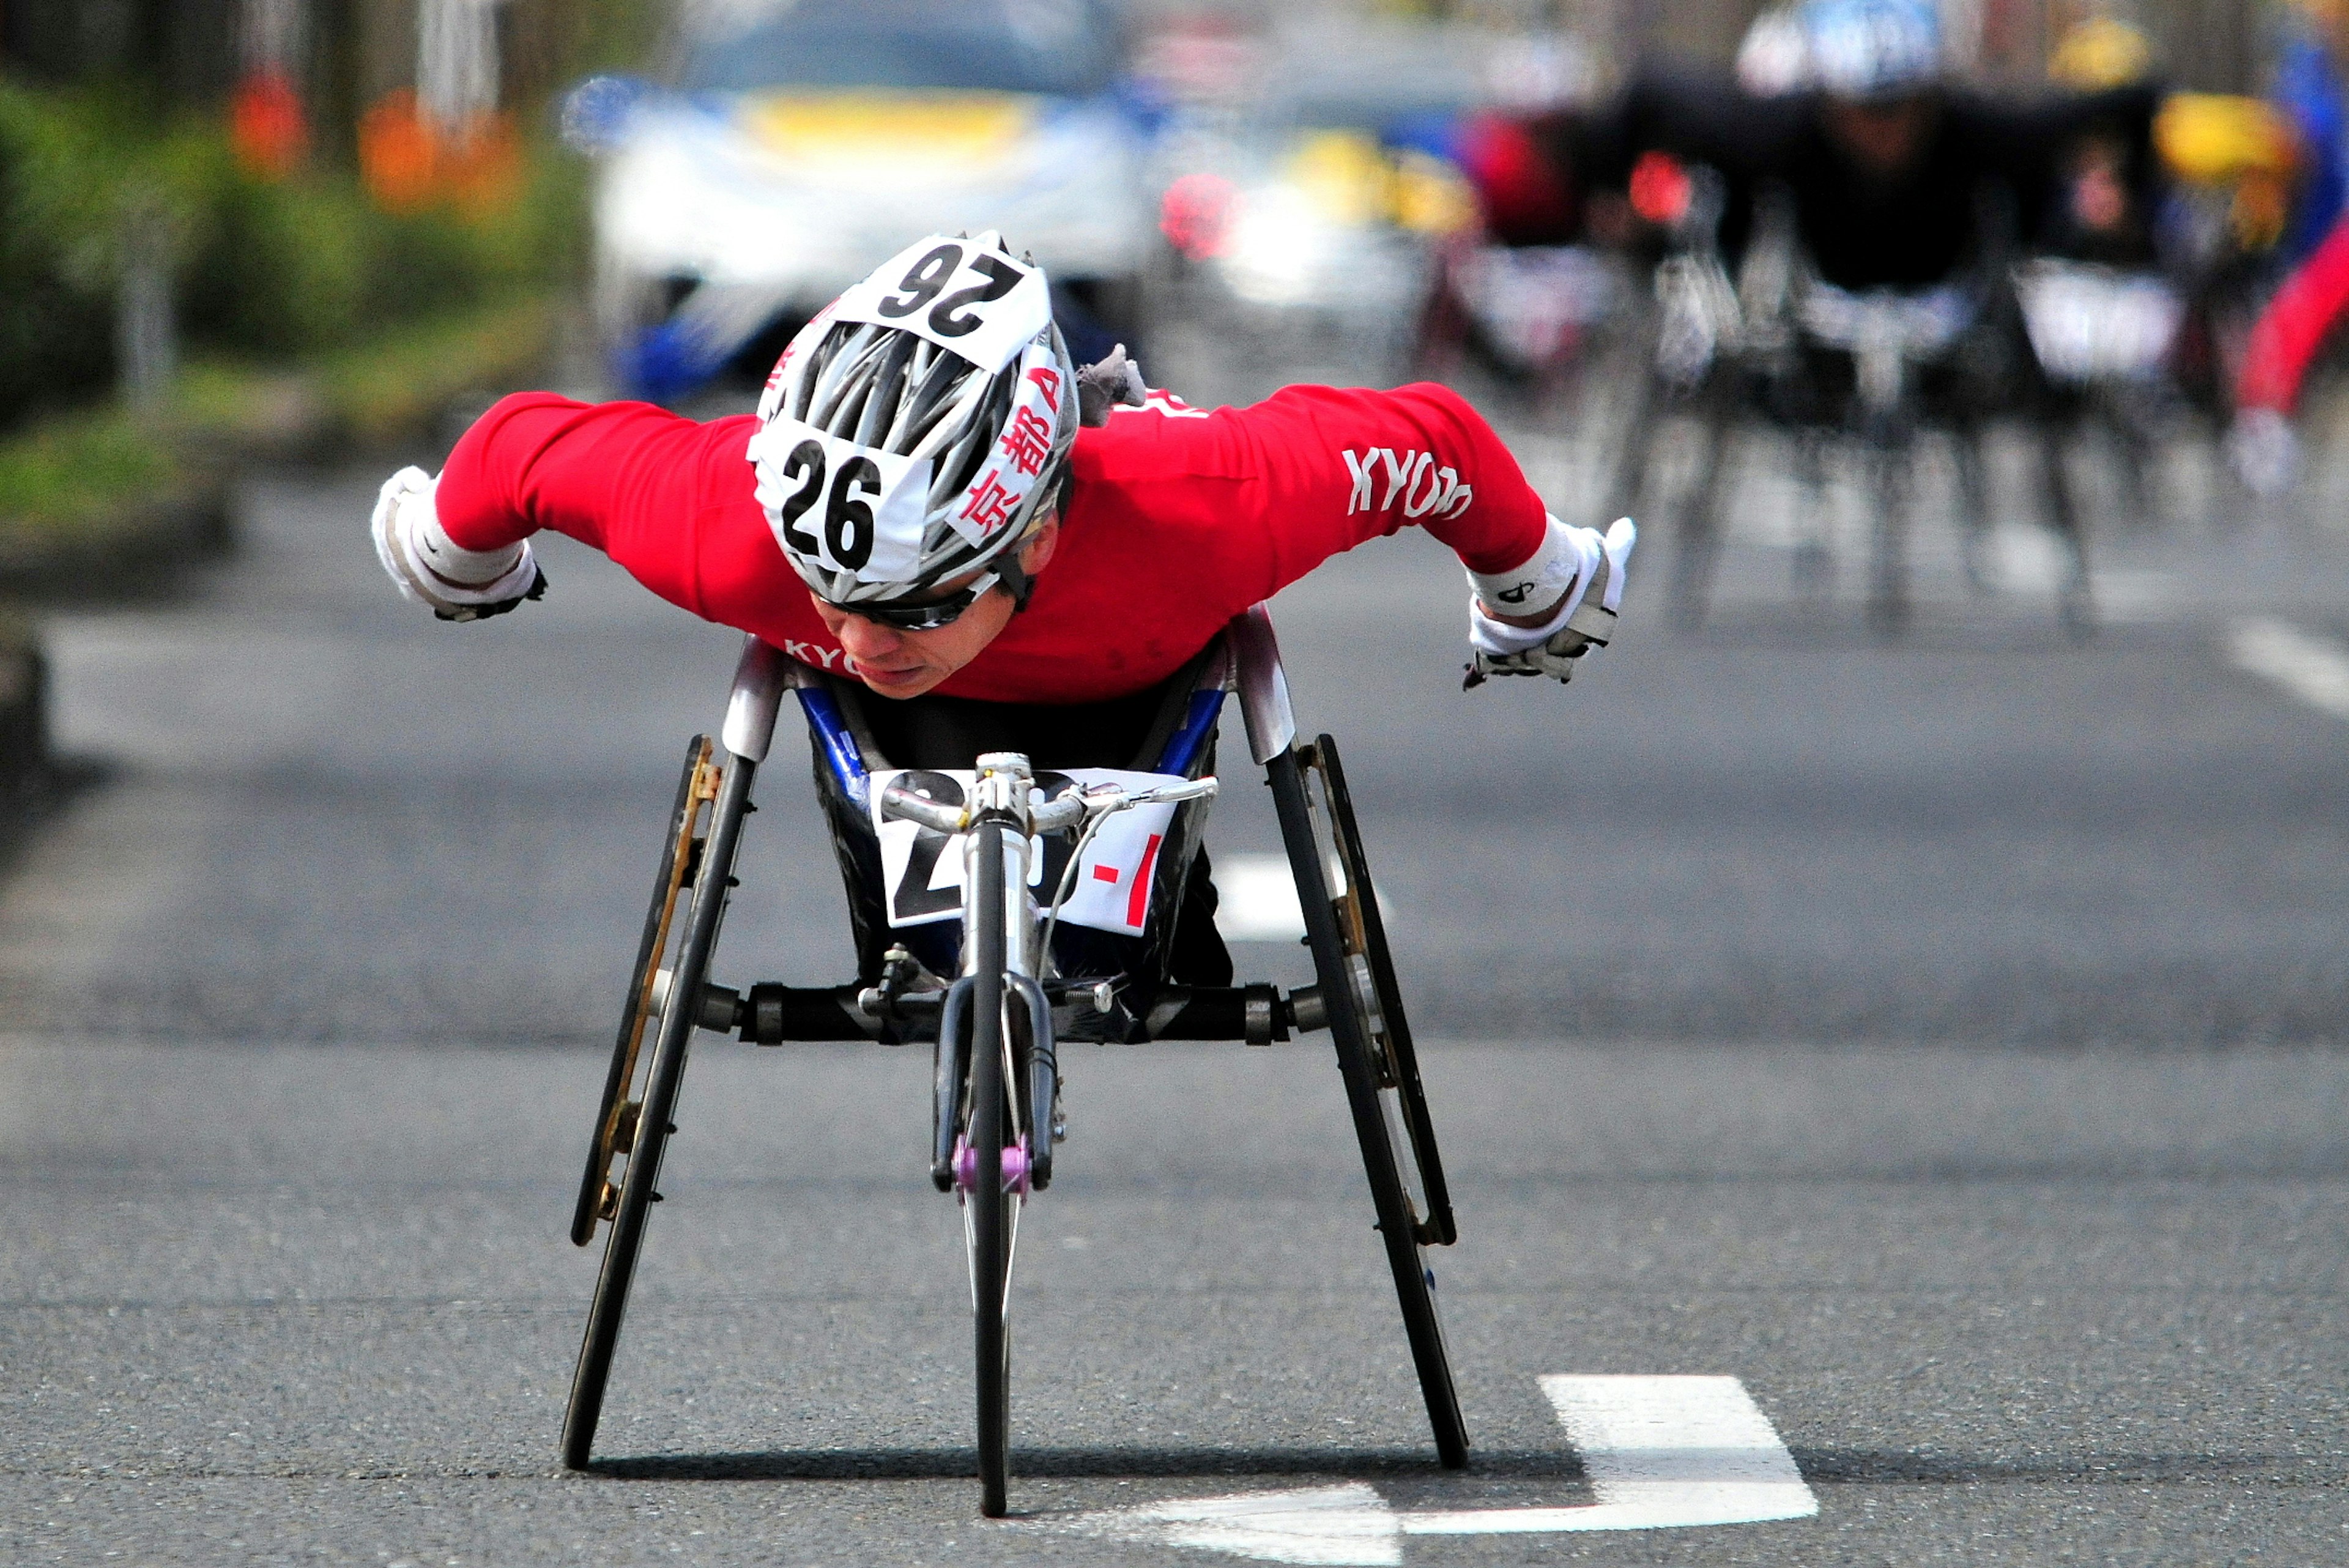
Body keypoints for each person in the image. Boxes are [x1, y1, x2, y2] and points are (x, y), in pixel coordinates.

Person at [370, 231, 1635, 980]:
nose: (865, 640)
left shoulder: (1193, 499)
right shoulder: (732, 522)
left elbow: (1439, 442)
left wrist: (1539, 583)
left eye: (917, 604)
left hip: (1139, 677)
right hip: (914, 748)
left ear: (1033, 531)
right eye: (835, 591)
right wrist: (447, 549)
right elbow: (521, 454)